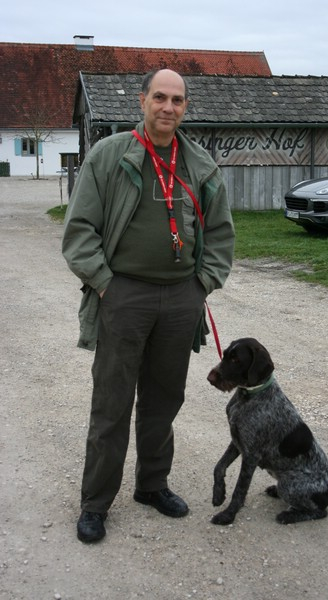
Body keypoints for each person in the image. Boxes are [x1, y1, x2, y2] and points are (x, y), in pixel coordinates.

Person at [62, 69, 235, 543]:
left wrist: (202, 285)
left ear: (185, 107)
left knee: (164, 400)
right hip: (123, 295)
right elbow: (79, 231)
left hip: (181, 298)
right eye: (159, 97)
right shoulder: (109, 155)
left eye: (177, 100)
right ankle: (96, 503)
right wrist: (105, 285)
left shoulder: (200, 164)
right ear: (142, 101)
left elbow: (221, 234)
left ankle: (152, 485)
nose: (168, 107)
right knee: (112, 403)